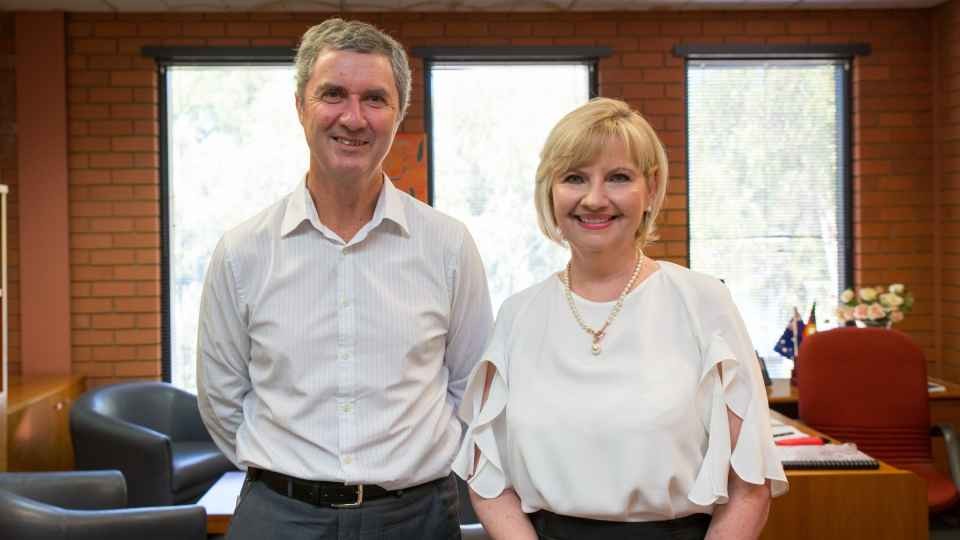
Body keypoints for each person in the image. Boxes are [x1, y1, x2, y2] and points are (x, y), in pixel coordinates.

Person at [196, 18, 493, 540]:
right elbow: (222, 398)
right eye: (332, 94)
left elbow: (472, 389)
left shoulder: (448, 246)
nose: (353, 118)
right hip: (279, 518)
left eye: (374, 99)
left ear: (398, 115)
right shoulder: (242, 252)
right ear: (300, 106)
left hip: (415, 518)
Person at [452, 98, 788, 540]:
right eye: (574, 178)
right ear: (550, 190)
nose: (594, 199)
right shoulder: (518, 315)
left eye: (618, 177)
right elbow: (488, 481)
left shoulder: (704, 302)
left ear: (651, 188)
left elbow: (748, 489)